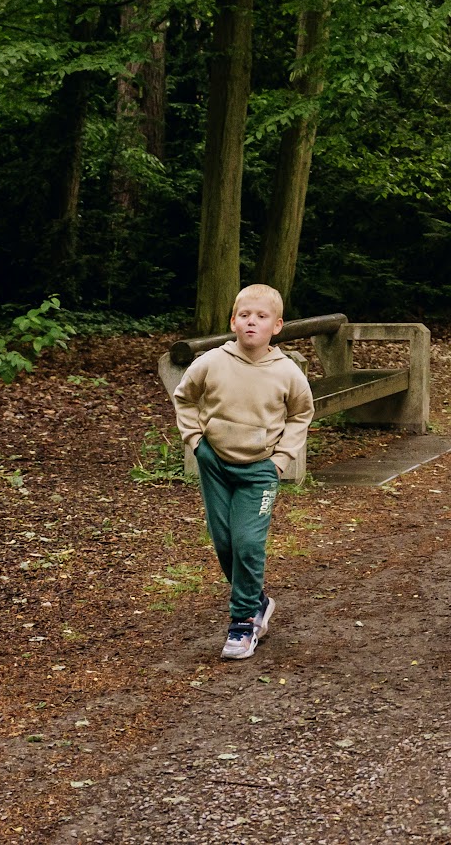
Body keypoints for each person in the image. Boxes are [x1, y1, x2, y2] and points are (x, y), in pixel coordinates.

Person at [171, 282, 313, 660]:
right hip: (215, 465)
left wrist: (281, 459)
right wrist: (196, 441)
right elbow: (184, 397)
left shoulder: (286, 372)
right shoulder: (211, 362)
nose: (252, 322)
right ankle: (257, 600)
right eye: (245, 315)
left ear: (276, 326)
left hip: (259, 470)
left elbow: (301, 414)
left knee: (248, 542)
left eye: (261, 316)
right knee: (224, 543)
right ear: (233, 321)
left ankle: (243, 620)